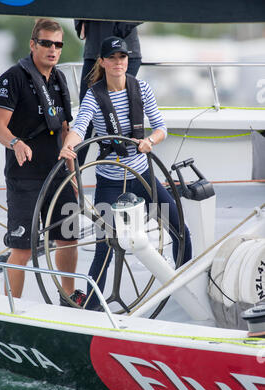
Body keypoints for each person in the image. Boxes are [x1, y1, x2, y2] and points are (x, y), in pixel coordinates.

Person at [59, 36, 192, 310]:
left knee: (180, 230)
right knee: (104, 246)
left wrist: (150, 141)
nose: (119, 62)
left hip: (143, 177)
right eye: (113, 58)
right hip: (109, 181)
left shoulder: (142, 88)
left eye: (123, 57)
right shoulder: (94, 97)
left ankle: (188, 285)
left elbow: (161, 128)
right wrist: (68, 146)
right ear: (103, 62)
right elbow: (80, 128)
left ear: (126, 61)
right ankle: (93, 308)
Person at [0, 18, 85, 307]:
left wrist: (74, 175)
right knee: (22, 249)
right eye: (46, 43)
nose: (53, 49)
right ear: (33, 45)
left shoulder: (59, 79)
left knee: (68, 238)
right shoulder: (12, 78)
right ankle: (11, 310)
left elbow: (67, 131)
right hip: (25, 177)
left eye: (58, 44)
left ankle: (67, 295)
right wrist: (15, 143)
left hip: (58, 173)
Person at [74, 20, 142, 166]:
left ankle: (129, 169)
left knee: (122, 112)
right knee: (87, 120)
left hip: (127, 47)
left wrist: (123, 26)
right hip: (94, 50)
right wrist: (80, 21)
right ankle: (72, 178)